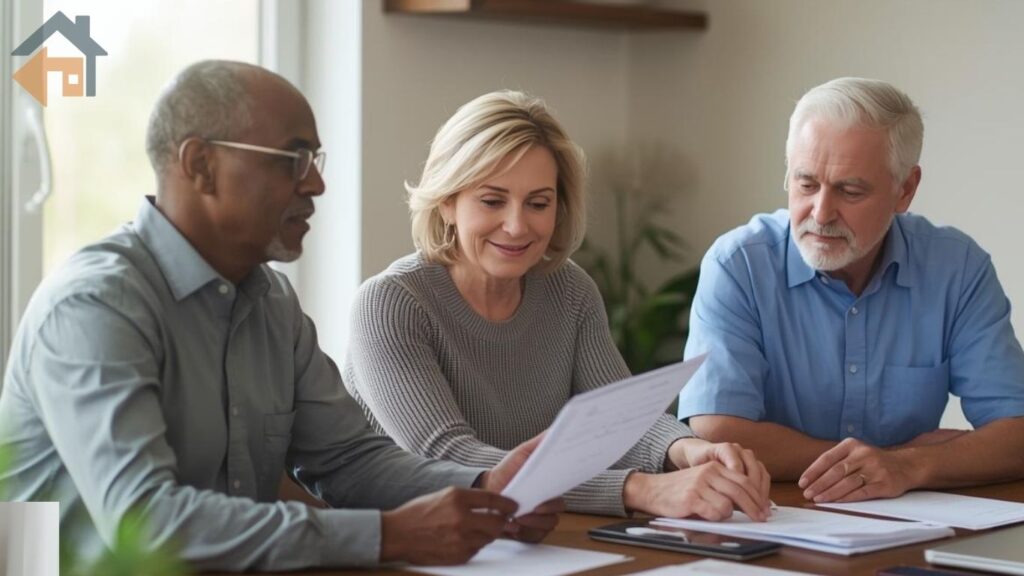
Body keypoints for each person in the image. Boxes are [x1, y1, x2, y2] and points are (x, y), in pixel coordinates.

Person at [0, 61, 561, 572]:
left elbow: (349, 459)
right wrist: (387, 534)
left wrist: (488, 490)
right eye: (293, 160)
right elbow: (147, 522)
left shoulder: (271, 300)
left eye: (315, 161)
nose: (316, 184)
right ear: (201, 165)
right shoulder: (95, 306)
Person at [343, 90, 772, 521]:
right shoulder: (391, 303)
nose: (516, 226)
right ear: (447, 202)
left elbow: (619, 418)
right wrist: (639, 489)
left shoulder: (569, 289)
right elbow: (452, 459)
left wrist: (689, 449)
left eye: (538, 203)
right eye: (492, 201)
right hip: (405, 549)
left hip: (522, 537)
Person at [678, 77, 1024, 504]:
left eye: (850, 190)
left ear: (906, 189)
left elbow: (1016, 432)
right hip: (776, 516)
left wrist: (906, 467)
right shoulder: (739, 265)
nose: (821, 213)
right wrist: (886, 461)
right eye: (806, 184)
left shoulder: (958, 268)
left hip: (911, 524)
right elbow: (718, 430)